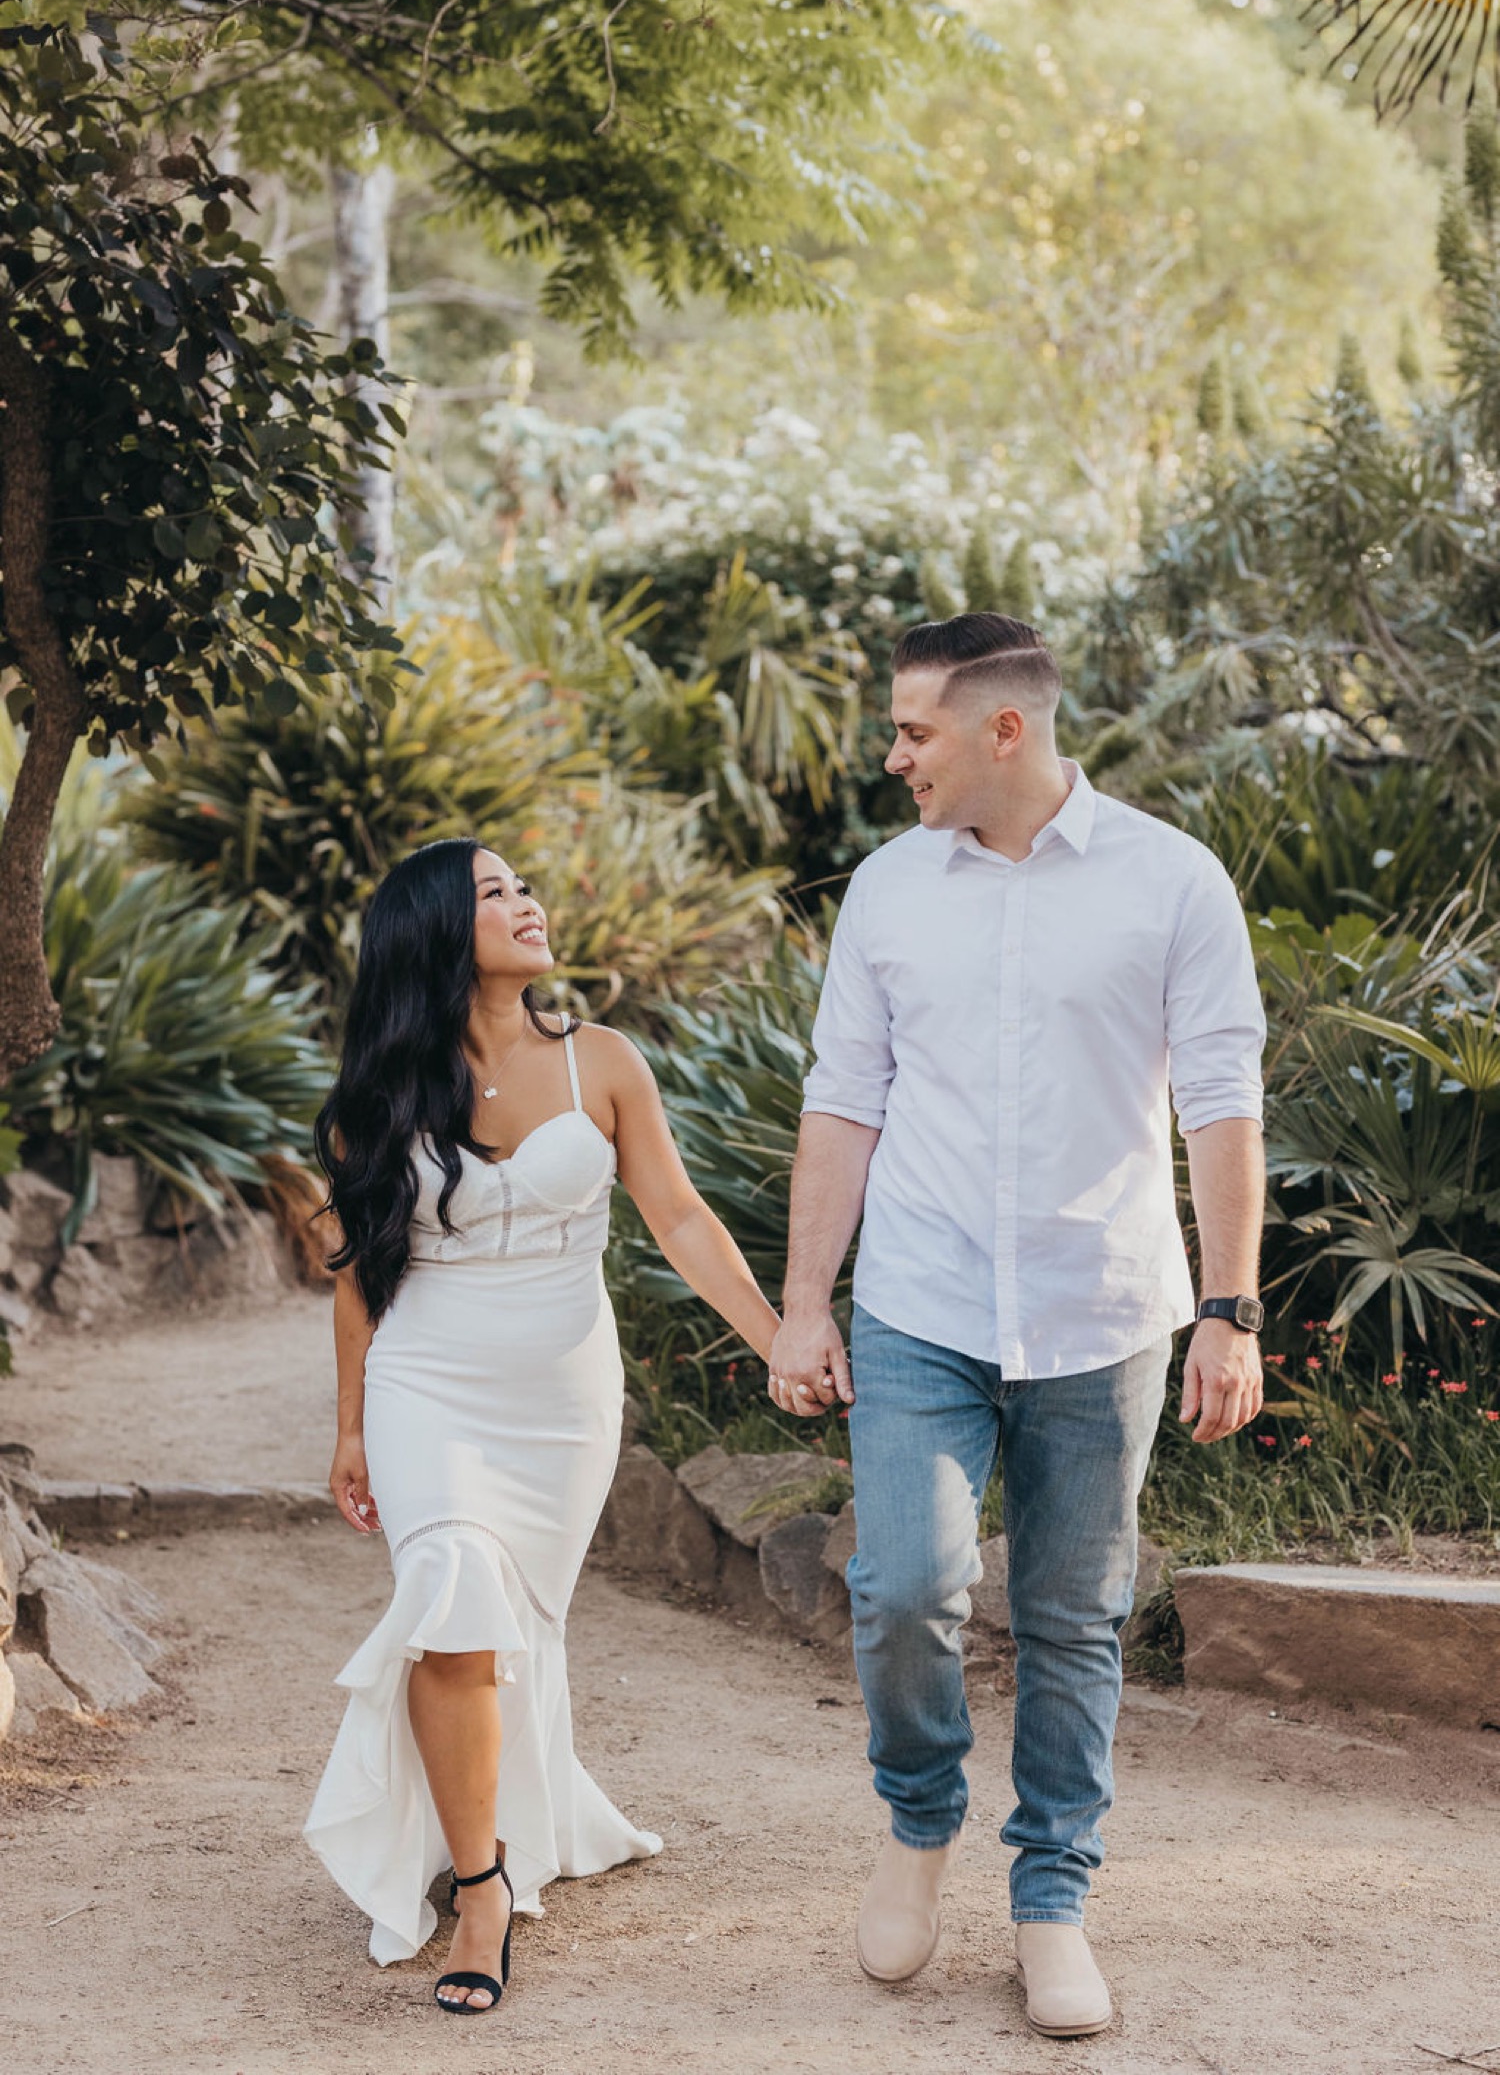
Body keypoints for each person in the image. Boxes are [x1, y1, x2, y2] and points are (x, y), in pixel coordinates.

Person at [767, 612, 1266, 2039]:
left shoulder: (1172, 881)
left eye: (913, 730)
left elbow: (1223, 1104)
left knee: (1072, 1618)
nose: (892, 754)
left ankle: (1052, 1898)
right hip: (922, 1298)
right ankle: (919, 1820)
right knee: (906, 1588)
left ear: (1005, 730)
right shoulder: (888, 888)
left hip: (1101, 1307)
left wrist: (1229, 1311)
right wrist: (807, 1304)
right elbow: (842, 1099)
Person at [304, 838, 784, 2016]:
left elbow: (679, 1218)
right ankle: (481, 1886)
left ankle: (500, 1813)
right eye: (494, 892)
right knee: (453, 1601)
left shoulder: (604, 1063)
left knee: (511, 1628)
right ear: (431, 933)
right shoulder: (376, 1098)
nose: (527, 903)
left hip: (562, 1403)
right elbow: (360, 1275)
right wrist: (353, 1426)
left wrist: (781, 1342)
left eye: (523, 884)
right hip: (428, 1387)